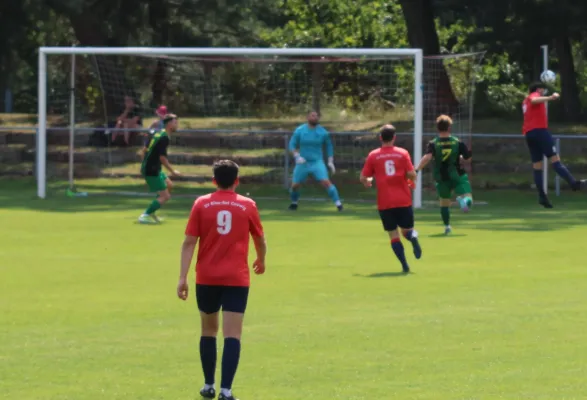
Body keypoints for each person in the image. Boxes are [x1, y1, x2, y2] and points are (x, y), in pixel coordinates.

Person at [179, 160, 267, 400]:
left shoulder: (202, 203)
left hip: (207, 276)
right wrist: (261, 259)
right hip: (236, 278)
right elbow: (260, 238)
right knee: (232, 335)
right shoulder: (247, 205)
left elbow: (189, 242)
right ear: (237, 181)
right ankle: (226, 391)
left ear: (214, 180)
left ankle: (208, 385)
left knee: (208, 330)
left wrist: (182, 277)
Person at [360, 124, 422, 273]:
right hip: (403, 199)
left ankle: (404, 265)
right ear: (394, 138)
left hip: (385, 202)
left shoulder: (373, 155)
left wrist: (368, 182)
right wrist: (410, 181)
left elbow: (363, 177)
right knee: (407, 230)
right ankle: (412, 237)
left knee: (393, 234)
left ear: (380, 138)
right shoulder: (402, 153)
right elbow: (412, 174)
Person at [522, 82, 585, 208]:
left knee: (537, 166)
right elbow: (534, 100)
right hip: (540, 132)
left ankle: (542, 196)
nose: (543, 91)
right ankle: (574, 184)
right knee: (555, 161)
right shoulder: (533, 95)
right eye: (542, 89)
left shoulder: (524, 102)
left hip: (529, 134)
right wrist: (551, 97)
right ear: (538, 89)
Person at [415, 115, 473, 234]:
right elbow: (467, 158)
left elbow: (428, 157)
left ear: (437, 128)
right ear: (449, 128)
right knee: (469, 198)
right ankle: (463, 200)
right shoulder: (457, 142)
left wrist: (417, 169)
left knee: (444, 202)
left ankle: (447, 226)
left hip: (441, 176)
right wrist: (462, 156)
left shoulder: (433, 143)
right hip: (457, 174)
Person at [288, 111, 343, 211]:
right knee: (295, 185)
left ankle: (338, 204)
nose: (315, 118)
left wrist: (330, 161)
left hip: (317, 161)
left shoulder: (323, 132)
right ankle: (294, 203)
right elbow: (292, 144)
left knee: (326, 182)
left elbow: (329, 146)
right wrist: (297, 156)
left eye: (316, 116)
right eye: (312, 116)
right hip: (303, 162)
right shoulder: (300, 130)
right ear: (307, 117)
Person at [138, 114, 181, 224]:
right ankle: (145, 215)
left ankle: (153, 210)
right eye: (175, 122)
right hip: (151, 169)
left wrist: (144, 164)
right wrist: (172, 171)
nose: (177, 125)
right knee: (165, 196)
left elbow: (144, 150)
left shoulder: (159, 133)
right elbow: (162, 157)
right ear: (169, 124)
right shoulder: (164, 137)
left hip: (153, 167)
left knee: (169, 185)